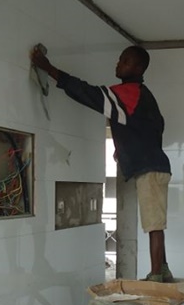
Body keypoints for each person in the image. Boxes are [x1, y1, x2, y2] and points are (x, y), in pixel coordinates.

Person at [30, 45, 173, 283]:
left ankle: (157, 274)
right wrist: (124, 149)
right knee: (155, 222)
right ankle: (163, 269)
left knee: (153, 224)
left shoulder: (129, 93)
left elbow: (88, 93)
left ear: (139, 68)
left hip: (150, 168)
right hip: (154, 165)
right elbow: (155, 127)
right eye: (120, 59)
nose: (118, 64)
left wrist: (49, 69)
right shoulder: (144, 95)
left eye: (125, 61)